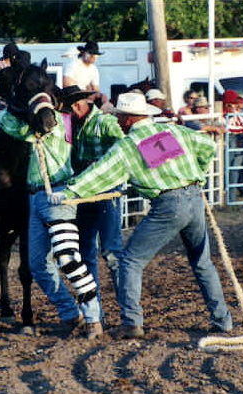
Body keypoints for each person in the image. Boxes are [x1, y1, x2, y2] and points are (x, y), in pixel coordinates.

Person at [49, 92, 233, 339]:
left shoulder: (128, 147)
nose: (118, 122)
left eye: (120, 118)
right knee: (202, 261)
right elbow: (208, 146)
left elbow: (100, 174)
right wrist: (196, 172)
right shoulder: (173, 132)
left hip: (168, 204)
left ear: (126, 119)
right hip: (194, 197)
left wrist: (69, 191)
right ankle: (222, 320)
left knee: (130, 261)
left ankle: (132, 322)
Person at [0, 106, 103, 340]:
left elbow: (11, 125)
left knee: (67, 257)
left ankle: (92, 318)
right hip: (37, 197)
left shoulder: (54, 122)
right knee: (38, 263)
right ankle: (71, 313)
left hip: (57, 195)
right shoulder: (47, 124)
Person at [60, 85, 125, 320]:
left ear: (76, 106)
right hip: (86, 193)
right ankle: (98, 311)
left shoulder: (105, 123)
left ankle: (126, 310)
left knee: (109, 251)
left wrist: (96, 164)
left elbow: (123, 148)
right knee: (88, 249)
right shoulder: (76, 125)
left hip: (105, 190)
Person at [223, 90, 243, 202]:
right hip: (228, 141)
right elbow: (228, 128)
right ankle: (223, 198)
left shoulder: (234, 112)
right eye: (233, 102)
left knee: (235, 170)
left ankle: (231, 197)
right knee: (225, 169)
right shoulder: (223, 113)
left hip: (237, 140)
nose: (235, 104)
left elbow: (242, 124)